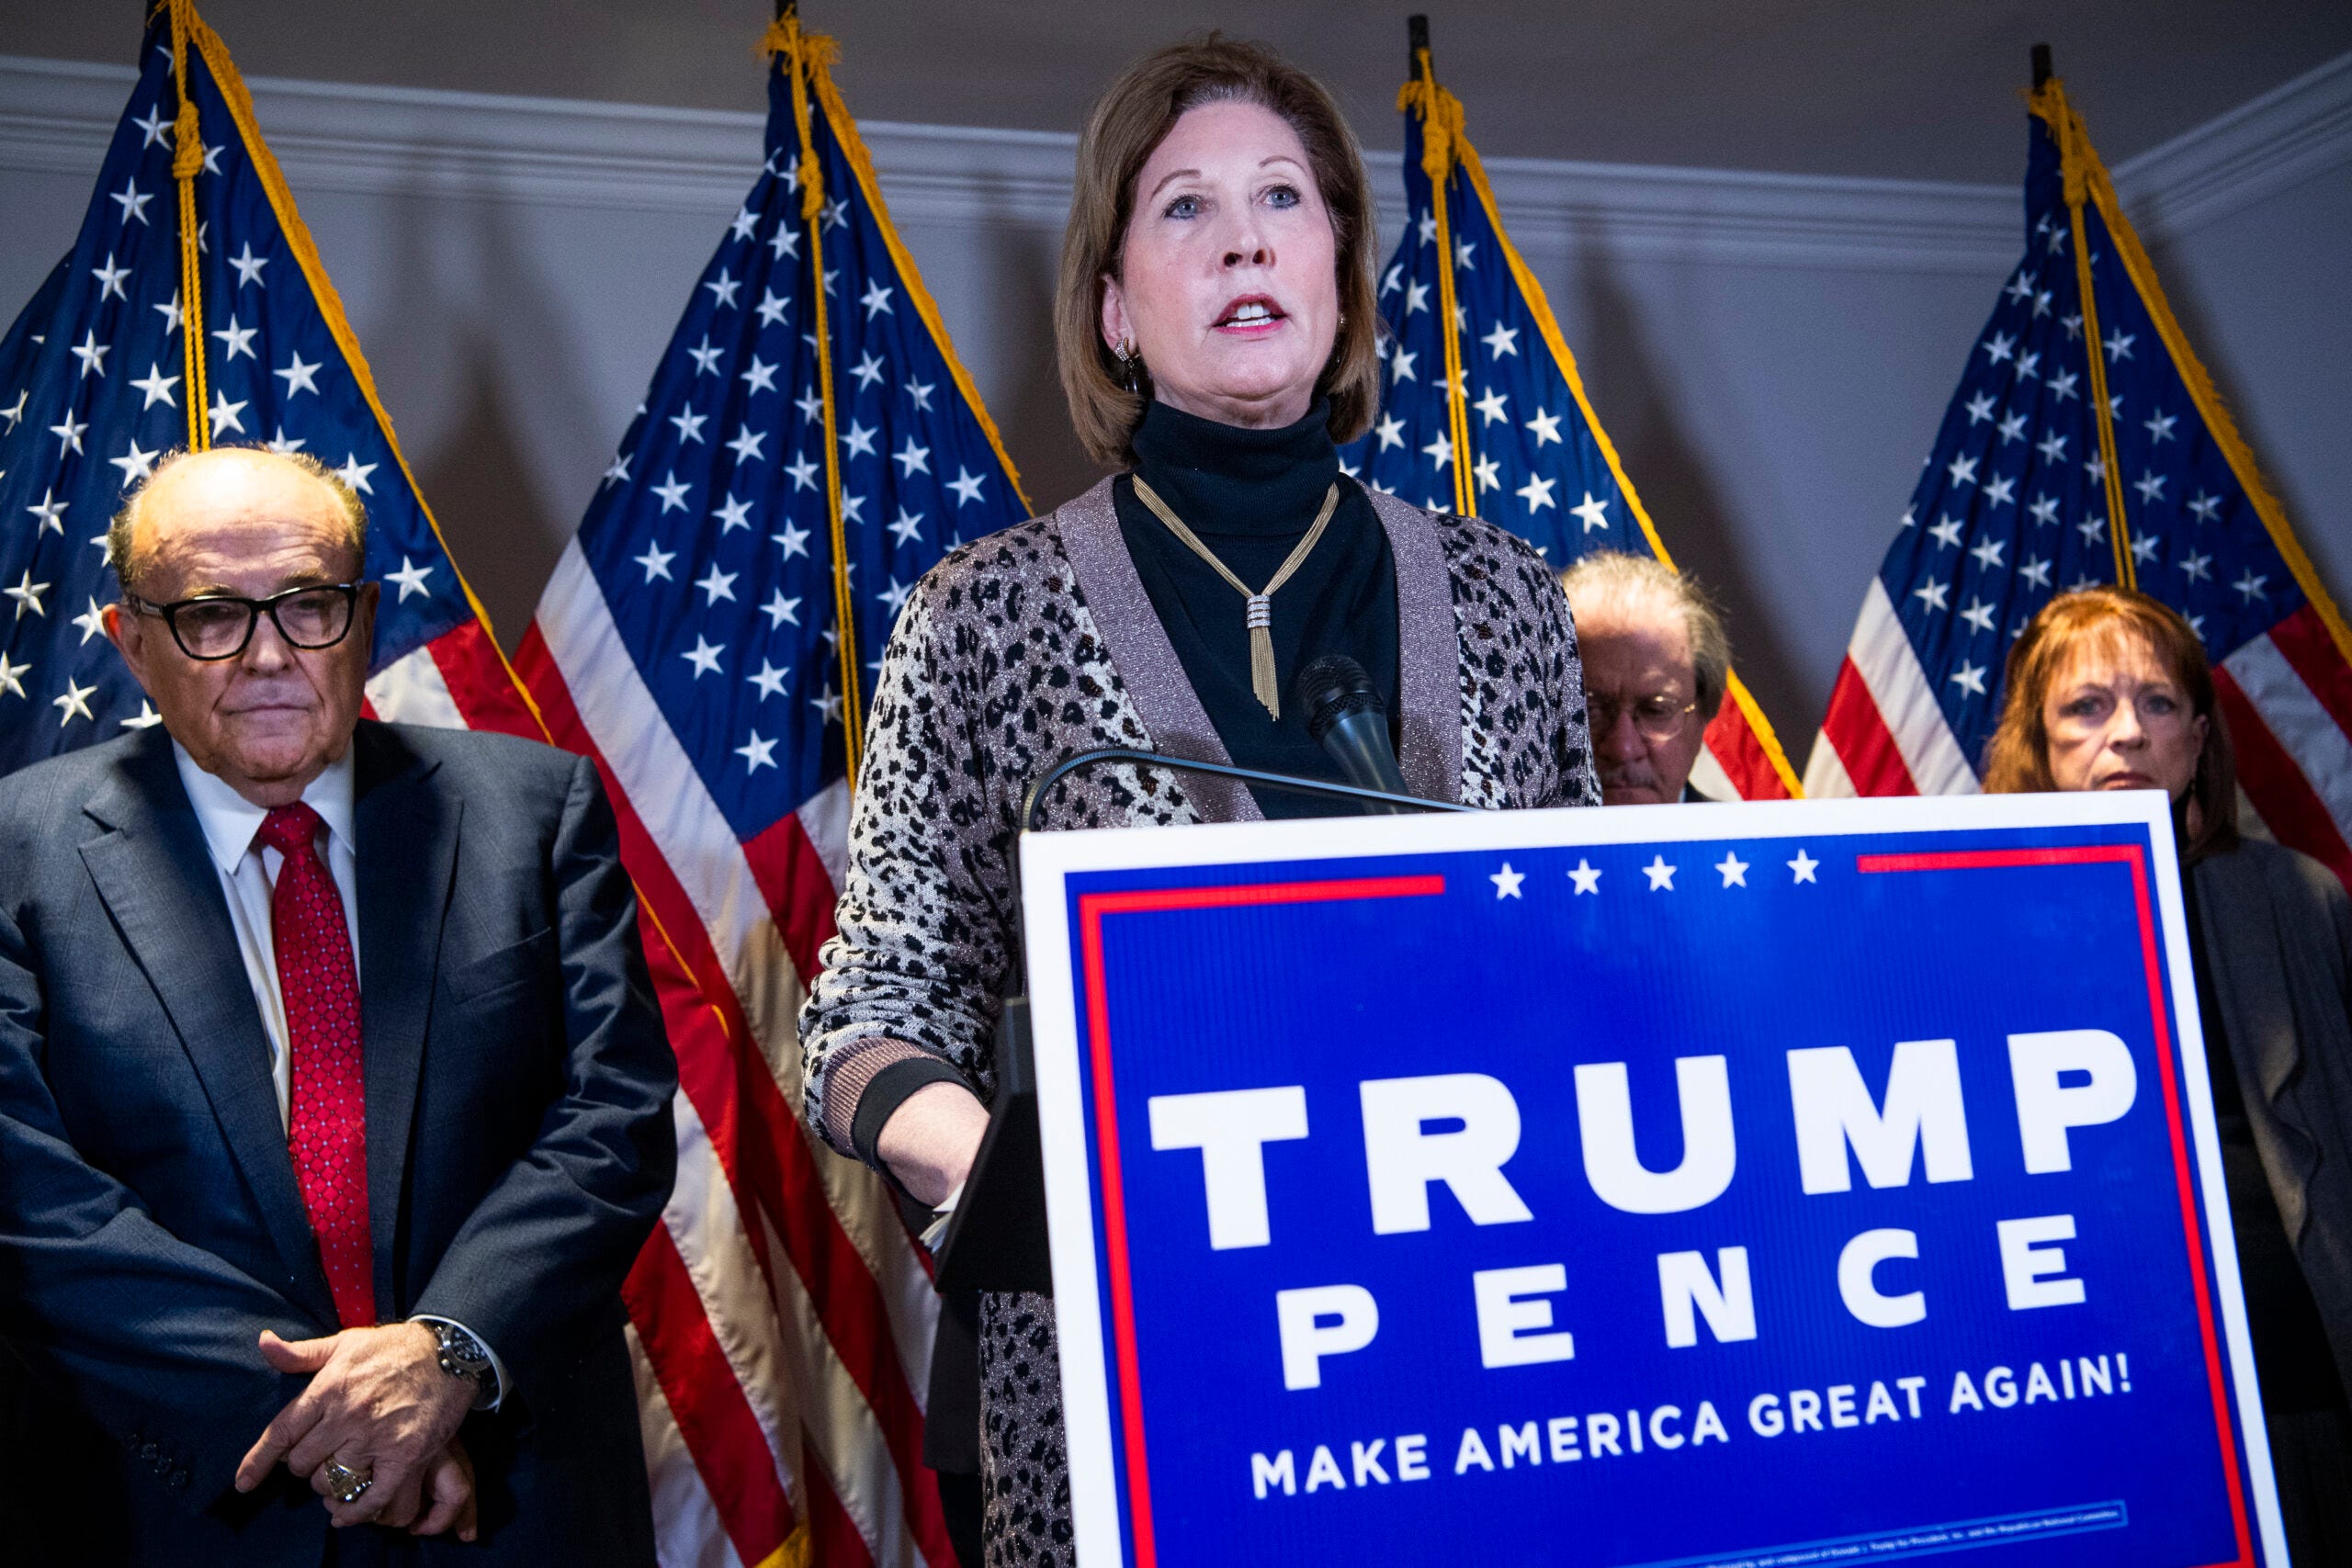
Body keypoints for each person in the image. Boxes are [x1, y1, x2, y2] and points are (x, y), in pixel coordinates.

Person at [798, 35, 1597, 1564]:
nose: (1245, 239)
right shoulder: (983, 610)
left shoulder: (1506, 595)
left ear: (1341, 274)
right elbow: (870, 1019)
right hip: (1144, 1377)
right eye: (1185, 207)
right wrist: (1040, 1190)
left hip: (1484, 1336)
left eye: (1284, 197)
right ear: (1113, 305)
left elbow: (1586, 955)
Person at [0, 446, 678, 1564]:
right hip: (179, 1504)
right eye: (211, 615)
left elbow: (613, 1120)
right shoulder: (17, 853)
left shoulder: (536, 808)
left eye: (308, 605)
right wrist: (338, 1425)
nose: (268, 655)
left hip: (512, 1494)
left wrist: (446, 1355)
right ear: (131, 643)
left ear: (363, 618)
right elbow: (31, 1201)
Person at [1984, 586, 2352, 1557]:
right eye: (2086, 706)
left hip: (2305, 1383)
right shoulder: (1974, 934)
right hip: (2109, 1408)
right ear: (2038, 744)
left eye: (2156, 702)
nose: (2127, 734)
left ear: (2197, 736)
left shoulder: (2300, 903)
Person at [1559, 548, 1729, 804]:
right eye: (1589, 710)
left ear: (1704, 715)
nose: (1622, 748)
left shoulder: (1763, 832)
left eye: (1656, 711)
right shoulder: (1497, 829)